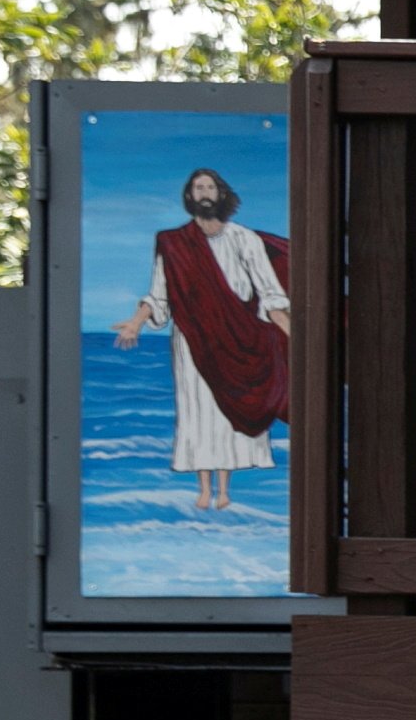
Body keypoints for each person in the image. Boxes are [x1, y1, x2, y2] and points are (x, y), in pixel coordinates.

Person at [111, 166, 292, 511]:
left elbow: (270, 294)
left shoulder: (244, 239)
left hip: (241, 337)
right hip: (193, 340)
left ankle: (225, 490)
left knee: (228, 415)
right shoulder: (173, 243)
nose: (205, 193)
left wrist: (294, 335)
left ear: (221, 194)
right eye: (198, 188)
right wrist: (136, 323)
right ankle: (204, 489)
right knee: (198, 412)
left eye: (210, 187)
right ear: (190, 197)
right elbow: (158, 295)